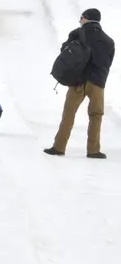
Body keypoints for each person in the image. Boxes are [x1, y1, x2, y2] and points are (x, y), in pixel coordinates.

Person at [44, 9, 114, 159]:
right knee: (96, 115)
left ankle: (59, 147)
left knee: (69, 114)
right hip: (98, 83)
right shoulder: (108, 41)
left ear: (86, 19)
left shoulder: (78, 33)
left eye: (81, 17)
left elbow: (65, 51)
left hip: (78, 82)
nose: (80, 20)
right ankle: (93, 150)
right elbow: (108, 62)